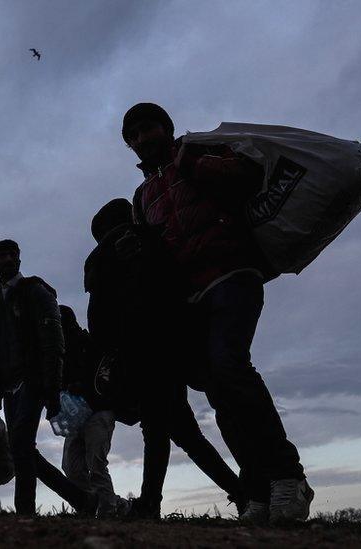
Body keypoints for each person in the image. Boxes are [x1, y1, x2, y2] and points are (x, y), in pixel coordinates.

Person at [120, 103, 314, 524]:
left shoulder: (197, 153)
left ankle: (287, 477)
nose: (141, 139)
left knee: (230, 364)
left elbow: (244, 178)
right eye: (132, 135)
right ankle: (258, 489)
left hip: (232, 274)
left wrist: (190, 161)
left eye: (148, 128)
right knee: (218, 390)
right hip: (190, 299)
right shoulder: (142, 197)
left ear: (166, 129)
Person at [84, 198, 245, 520]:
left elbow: (98, 316)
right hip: (171, 346)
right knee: (177, 432)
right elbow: (180, 286)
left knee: (163, 429)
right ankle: (236, 493)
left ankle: (153, 503)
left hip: (137, 352)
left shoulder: (100, 257)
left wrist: (104, 356)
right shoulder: (156, 239)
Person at [0, 239, 96, 516]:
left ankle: (25, 513)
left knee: (22, 446)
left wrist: (52, 386)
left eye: (12, 254)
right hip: (10, 385)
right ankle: (81, 500)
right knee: (22, 449)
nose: (7, 258)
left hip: (33, 379)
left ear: (19, 261)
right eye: (1, 254)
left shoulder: (36, 291)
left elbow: (53, 341)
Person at [58, 305, 130, 518]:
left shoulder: (92, 346)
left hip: (99, 412)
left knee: (96, 465)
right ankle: (115, 506)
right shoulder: (61, 351)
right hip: (77, 414)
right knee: (72, 468)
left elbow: (105, 379)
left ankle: (109, 512)